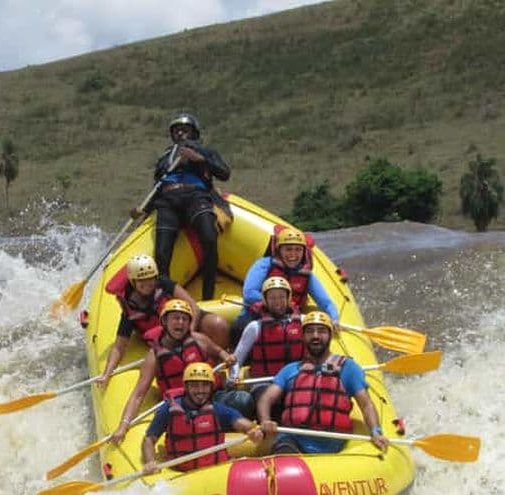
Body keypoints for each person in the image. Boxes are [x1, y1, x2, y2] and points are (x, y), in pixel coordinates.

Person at [256, 311, 388, 454]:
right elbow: (266, 399)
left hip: (330, 441)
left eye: (321, 331)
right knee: (284, 450)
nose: (316, 336)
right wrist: (265, 420)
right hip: (293, 438)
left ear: (330, 335)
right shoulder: (290, 370)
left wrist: (375, 431)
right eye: (310, 331)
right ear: (303, 336)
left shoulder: (348, 367)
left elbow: (366, 404)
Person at [134, 113, 230, 301]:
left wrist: (199, 159)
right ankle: (163, 298)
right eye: (176, 130)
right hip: (168, 201)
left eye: (184, 129)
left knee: (209, 239)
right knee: (162, 252)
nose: (180, 132)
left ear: (194, 132)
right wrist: (143, 210)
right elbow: (157, 188)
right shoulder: (165, 158)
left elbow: (224, 173)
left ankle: (208, 295)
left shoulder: (205, 152)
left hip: (196, 196)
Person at [112, 299, 237, 443]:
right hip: (184, 407)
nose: (180, 323)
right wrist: (123, 426)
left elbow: (218, 351)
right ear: (165, 322)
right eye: (175, 318)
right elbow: (138, 395)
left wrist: (226, 357)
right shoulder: (154, 356)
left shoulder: (199, 339)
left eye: (184, 319)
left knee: (242, 401)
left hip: (213, 397)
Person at [98, 254, 229, 387]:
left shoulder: (164, 284)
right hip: (166, 339)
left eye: (150, 279)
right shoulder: (130, 309)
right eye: (141, 281)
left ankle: (218, 366)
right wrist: (107, 373)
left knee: (219, 325)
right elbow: (119, 347)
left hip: (186, 322)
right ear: (133, 282)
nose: (147, 284)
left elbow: (193, 307)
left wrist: (188, 333)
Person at [141, 362, 263, 473]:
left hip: (215, 470)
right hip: (181, 474)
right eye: (194, 385)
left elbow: (241, 423)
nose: (200, 391)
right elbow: (149, 440)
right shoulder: (170, 409)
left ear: (211, 387)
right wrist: (150, 462)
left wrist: (253, 430)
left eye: (205, 385)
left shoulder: (216, 409)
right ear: (186, 386)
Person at [231, 226, 340, 345]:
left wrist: (334, 318)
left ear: (304, 252)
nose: (293, 254)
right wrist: (281, 305)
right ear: (279, 250)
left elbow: (326, 302)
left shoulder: (306, 275)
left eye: (298, 250)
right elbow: (249, 293)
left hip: (289, 319)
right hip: (257, 315)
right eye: (288, 249)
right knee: (239, 327)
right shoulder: (264, 265)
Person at [225, 276, 304, 418]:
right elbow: (237, 358)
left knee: (300, 401)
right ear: (265, 301)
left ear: (288, 298)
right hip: (263, 382)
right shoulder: (255, 327)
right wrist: (233, 376)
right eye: (272, 298)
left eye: (281, 297)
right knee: (271, 403)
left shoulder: (303, 322)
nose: (277, 302)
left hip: (294, 379)